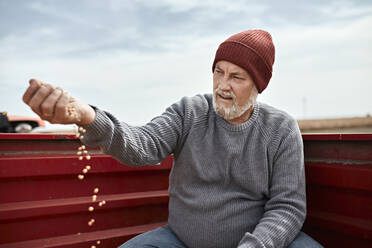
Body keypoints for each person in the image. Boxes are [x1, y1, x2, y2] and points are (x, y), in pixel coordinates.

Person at [22, 29, 323, 248]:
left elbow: (288, 208)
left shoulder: (281, 128)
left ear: (258, 85)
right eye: (218, 72)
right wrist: (88, 116)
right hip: (180, 241)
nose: (222, 85)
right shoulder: (189, 112)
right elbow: (141, 146)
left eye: (237, 77)